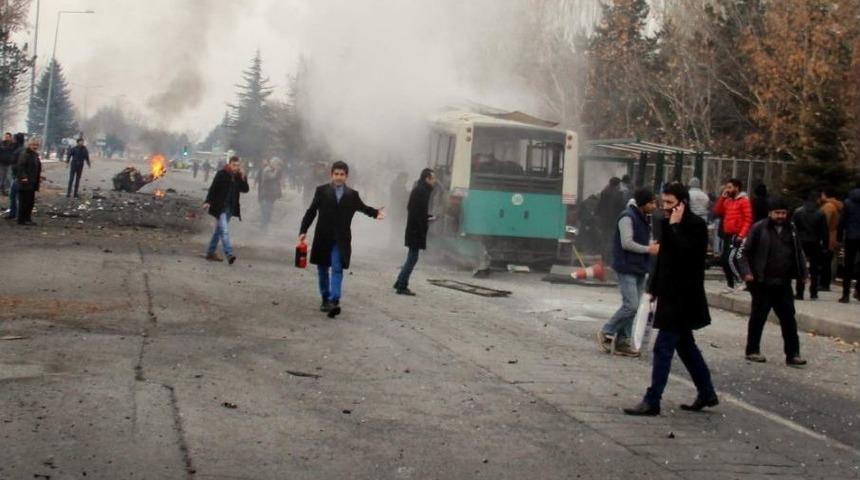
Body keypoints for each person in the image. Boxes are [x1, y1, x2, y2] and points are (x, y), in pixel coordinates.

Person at [623, 182, 718, 416]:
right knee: (686, 347)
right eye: (663, 202)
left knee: (663, 348)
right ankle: (706, 392)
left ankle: (652, 400)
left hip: (684, 297)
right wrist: (652, 287)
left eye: (669, 203)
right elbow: (663, 260)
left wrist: (674, 229)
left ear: (682, 204)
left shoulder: (695, 226)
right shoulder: (666, 224)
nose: (664, 207)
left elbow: (686, 258)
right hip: (669, 295)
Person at [299, 161, 385, 318]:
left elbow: (363, 208)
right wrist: (303, 230)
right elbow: (311, 212)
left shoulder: (352, 195)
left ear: (346, 176)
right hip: (323, 237)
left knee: (337, 267)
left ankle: (334, 299)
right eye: (336, 174)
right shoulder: (322, 191)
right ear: (331, 174)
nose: (339, 177)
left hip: (341, 239)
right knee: (323, 269)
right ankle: (325, 298)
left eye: (342, 174)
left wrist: (375, 213)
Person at [738, 196, 807, 367]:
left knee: (788, 319)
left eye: (783, 213)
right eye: (777, 213)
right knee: (758, 317)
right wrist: (747, 273)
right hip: (762, 282)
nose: (781, 216)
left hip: (783, 283)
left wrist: (803, 273)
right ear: (770, 213)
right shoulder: (759, 228)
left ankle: (793, 354)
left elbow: (799, 252)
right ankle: (752, 350)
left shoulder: (791, 230)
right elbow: (744, 254)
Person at [598, 188, 659, 357]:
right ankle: (607, 330)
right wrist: (649, 249)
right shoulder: (627, 217)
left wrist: (651, 244)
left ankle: (623, 340)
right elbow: (627, 243)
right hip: (626, 267)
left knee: (635, 308)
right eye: (652, 202)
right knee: (630, 305)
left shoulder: (644, 218)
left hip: (639, 266)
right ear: (643, 203)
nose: (655, 206)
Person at [393, 168, 436, 296]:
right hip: (416, 229)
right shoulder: (421, 191)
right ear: (427, 178)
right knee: (413, 257)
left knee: (412, 256)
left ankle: (399, 281)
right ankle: (402, 285)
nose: (435, 181)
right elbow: (415, 211)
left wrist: (427, 216)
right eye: (433, 179)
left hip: (414, 228)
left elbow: (416, 210)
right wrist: (425, 219)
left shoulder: (421, 190)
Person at [203, 156, 249, 264]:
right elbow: (213, 189)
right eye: (234, 165)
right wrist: (207, 201)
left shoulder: (238, 176)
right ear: (229, 164)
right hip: (220, 207)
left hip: (230, 208)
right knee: (224, 230)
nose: (236, 167)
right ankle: (229, 254)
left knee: (219, 231)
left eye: (238, 166)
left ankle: (210, 252)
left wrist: (244, 177)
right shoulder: (221, 174)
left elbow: (245, 189)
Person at [713, 178, 753, 293]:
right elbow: (717, 211)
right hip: (728, 234)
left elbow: (748, 219)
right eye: (727, 187)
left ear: (737, 188)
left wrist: (742, 235)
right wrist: (722, 197)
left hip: (737, 234)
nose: (728, 190)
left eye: (730, 187)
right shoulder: (728, 201)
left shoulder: (744, 201)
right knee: (724, 259)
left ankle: (740, 280)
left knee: (730, 259)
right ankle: (730, 284)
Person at [792, 193, 828, 300]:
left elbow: (793, 228)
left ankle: (799, 292)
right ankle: (814, 292)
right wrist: (825, 246)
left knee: (801, 266)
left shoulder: (798, 212)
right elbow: (824, 232)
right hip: (815, 242)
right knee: (815, 268)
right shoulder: (820, 213)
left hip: (801, 242)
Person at [837, 186, 860, 303]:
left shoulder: (848, 202)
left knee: (848, 265)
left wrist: (839, 237)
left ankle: (845, 295)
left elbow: (842, 221)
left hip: (851, 237)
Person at [596, 177, 626, 261]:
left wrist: (599, 217)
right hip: (613, 221)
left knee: (604, 239)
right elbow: (622, 207)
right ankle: (609, 259)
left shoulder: (604, 192)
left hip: (604, 220)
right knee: (611, 240)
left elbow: (599, 206)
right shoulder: (618, 194)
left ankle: (604, 258)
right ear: (617, 184)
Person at [819, 187, 843, 291]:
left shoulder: (828, 207)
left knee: (824, 261)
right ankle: (826, 282)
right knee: (828, 260)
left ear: (824, 194)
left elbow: (824, 223)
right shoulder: (837, 205)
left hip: (827, 237)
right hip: (834, 236)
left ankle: (824, 283)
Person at [15, 136, 43, 226]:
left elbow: (35, 168)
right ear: (29, 144)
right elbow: (20, 166)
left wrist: (39, 178)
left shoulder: (34, 154)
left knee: (30, 202)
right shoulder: (25, 154)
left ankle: (27, 218)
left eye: (36, 145)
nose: (35, 146)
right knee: (25, 202)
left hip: (32, 182)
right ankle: (22, 220)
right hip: (25, 183)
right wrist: (24, 177)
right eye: (33, 144)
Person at [258, 157, 284, 231]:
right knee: (266, 212)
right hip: (266, 195)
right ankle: (263, 228)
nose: (279, 166)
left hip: (271, 195)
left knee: (268, 213)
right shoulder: (267, 170)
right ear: (273, 163)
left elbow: (277, 180)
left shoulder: (273, 170)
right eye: (278, 164)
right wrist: (276, 171)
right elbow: (271, 177)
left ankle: (264, 227)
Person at [4, 133, 25, 220]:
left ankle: (15, 214)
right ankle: (15, 213)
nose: (12, 140)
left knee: (14, 195)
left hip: (18, 175)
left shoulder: (20, 150)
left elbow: (20, 163)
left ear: (17, 140)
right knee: (15, 195)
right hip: (17, 175)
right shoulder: (19, 148)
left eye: (14, 139)